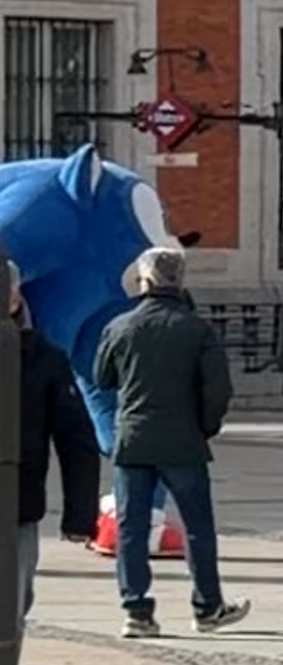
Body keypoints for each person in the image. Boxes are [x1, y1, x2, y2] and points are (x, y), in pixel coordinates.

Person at [98, 241, 246, 637]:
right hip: (183, 440)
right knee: (198, 525)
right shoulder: (197, 329)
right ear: (180, 282)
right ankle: (207, 606)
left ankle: (137, 610)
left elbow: (102, 378)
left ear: (145, 280)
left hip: (133, 439)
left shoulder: (120, 326)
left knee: (131, 527)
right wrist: (205, 426)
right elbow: (218, 390)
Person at [5, 245, 102, 623]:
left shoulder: (44, 357)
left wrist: (81, 515)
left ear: (15, 297)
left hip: (18, 503)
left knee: (14, 602)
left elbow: (76, 440)